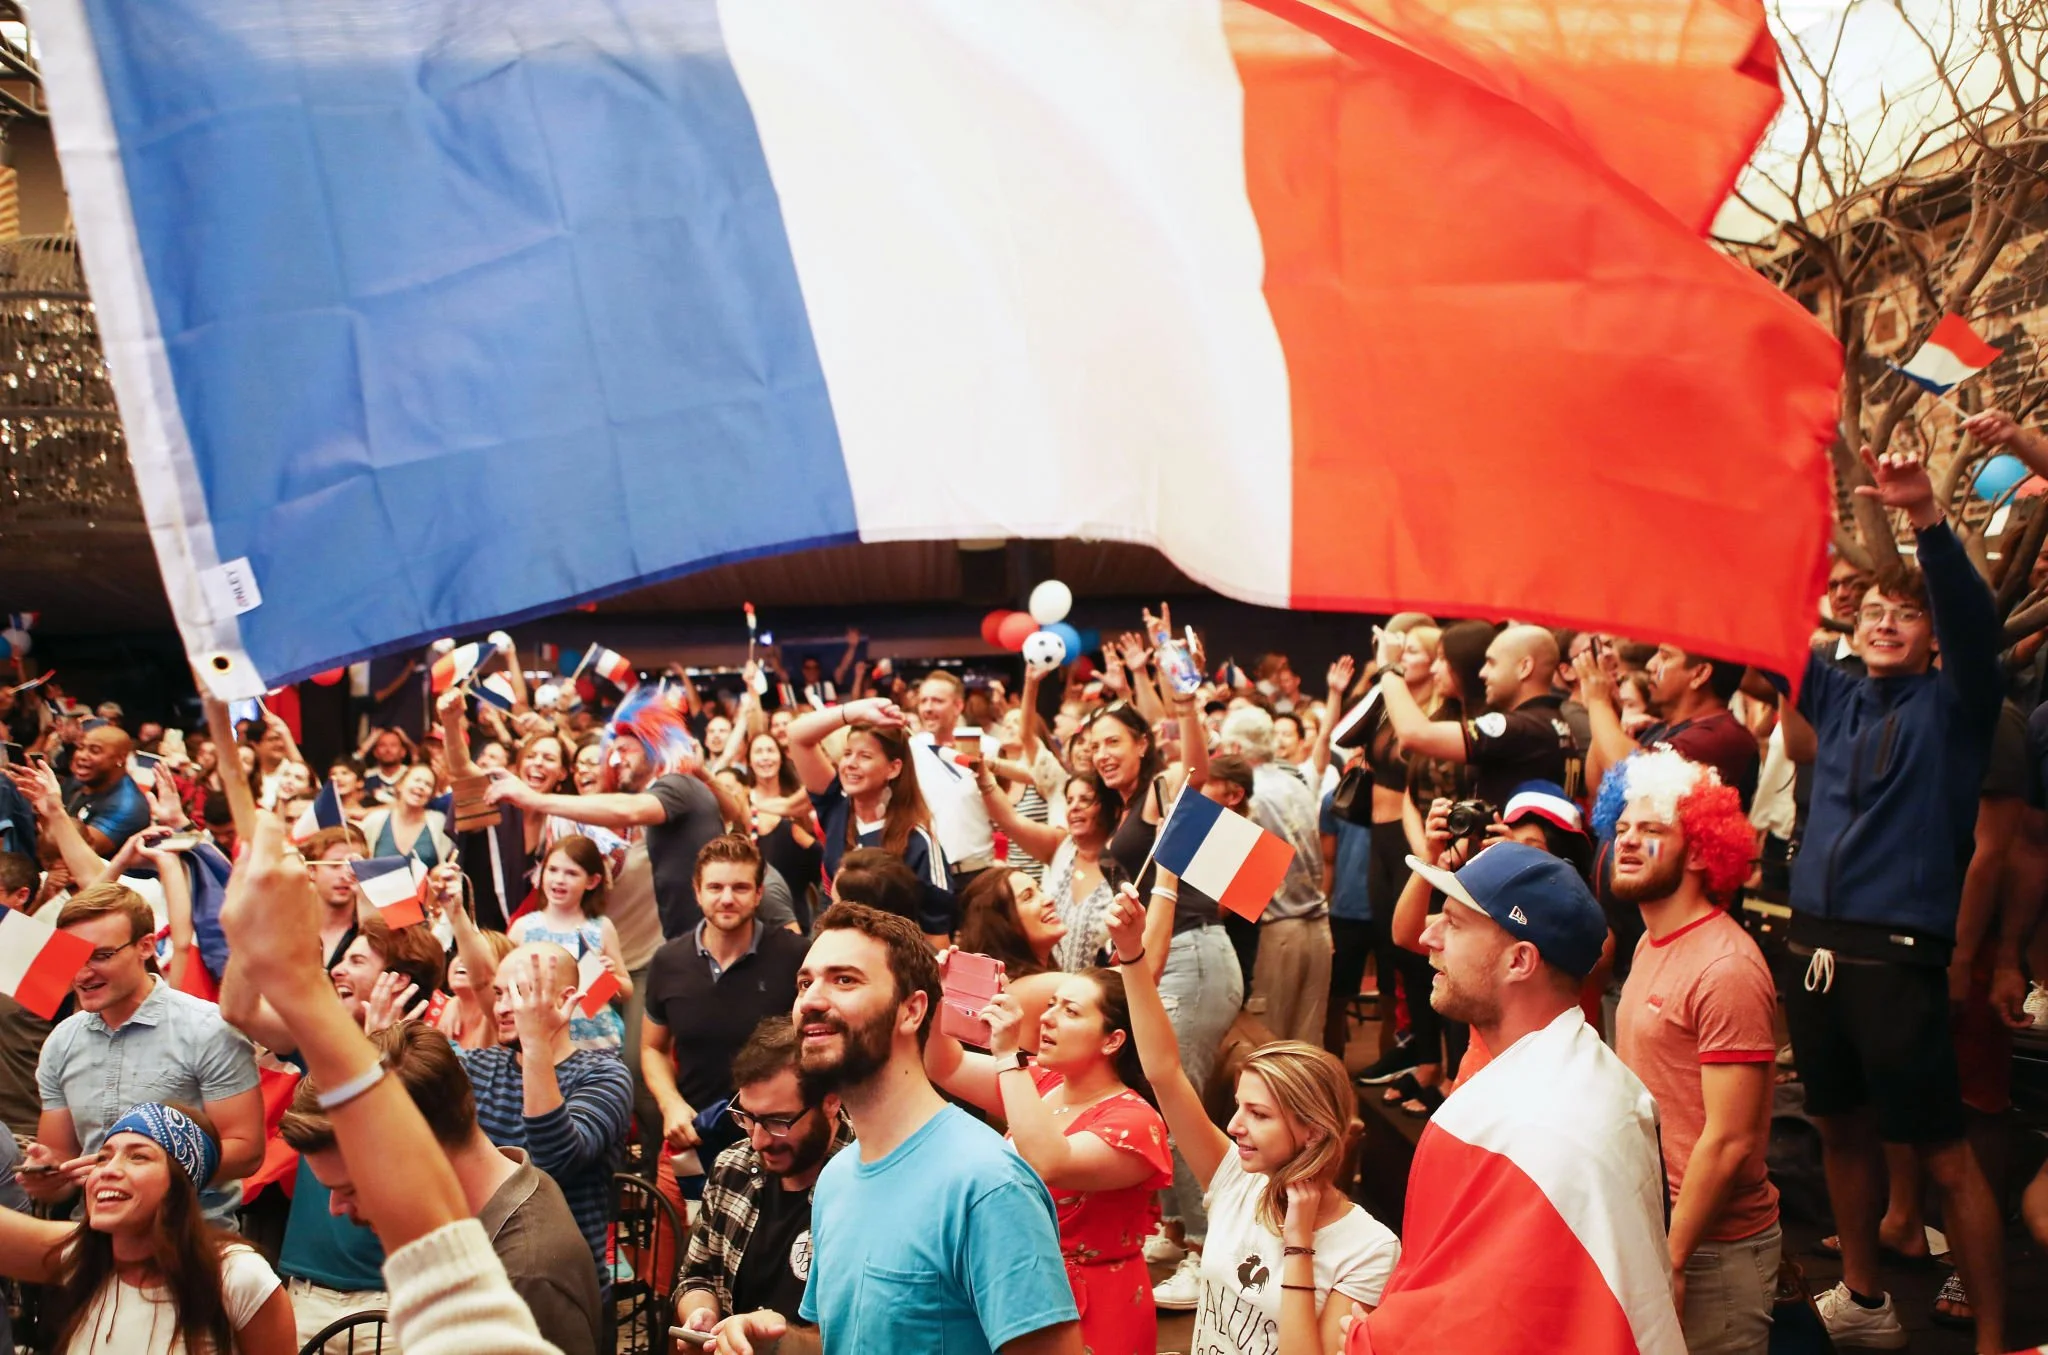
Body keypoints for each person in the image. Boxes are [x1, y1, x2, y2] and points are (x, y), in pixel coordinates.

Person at [1779, 447, 2009, 1353]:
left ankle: (1993, 1339)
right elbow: (1767, 629)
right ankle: (1867, 1301)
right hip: (1814, 944)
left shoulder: (1958, 705)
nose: (1885, 624)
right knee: (1838, 1130)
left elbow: (1973, 625)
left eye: (1905, 614)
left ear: (1932, 634)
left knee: (1944, 1155)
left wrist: (1926, 522)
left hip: (1895, 954)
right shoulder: (1834, 697)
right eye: (1873, 610)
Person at [216, 808, 568, 1355]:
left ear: (396, 980)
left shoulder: (434, 1062)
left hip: (389, 1299)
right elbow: (238, 1008)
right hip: (304, 1286)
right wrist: (248, 924)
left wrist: (379, 1059)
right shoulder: (323, 1049)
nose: (337, 969)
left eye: (355, 960)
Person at [1348, 842, 1679, 1355]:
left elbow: (1488, 1324)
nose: (1428, 935)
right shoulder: (1574, 1078)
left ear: (1520, 960)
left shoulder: (1548, 1131)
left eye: (1454, 924)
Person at [707, 902, 1081, 1355]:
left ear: (912, 1011)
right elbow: (839, 1339)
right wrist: (773, 1343)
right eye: (805, 982)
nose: (811, 1000)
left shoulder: (988, 1185)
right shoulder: (837, 1178)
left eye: (845, 980)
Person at [1106, 872, 1399, 1351]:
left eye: (1259, 1114)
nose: (1234, 1125)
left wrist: (1299, 1244)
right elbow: (1163, 1071)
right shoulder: (1237, 1180)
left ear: (1313, 1131)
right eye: (1239, 1106)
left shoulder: (1370, 1249)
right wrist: (1133, 954)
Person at [1600, 750, 1779, 1355]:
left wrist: (1672, 1260)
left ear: (1702, 850)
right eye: (1622, 827)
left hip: (1709, 1250)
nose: (1627, 841)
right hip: (1656, 1232)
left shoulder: (1725, 966)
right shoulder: (1653, 942)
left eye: (1651, 830)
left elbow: (1730, 1141)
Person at [283, 1020, 604, 1355]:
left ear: (423, 1153)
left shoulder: (523, 1277)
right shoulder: (499, 1215)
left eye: (352, 1188)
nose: (335, 1208)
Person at [924, 963, 1173, 1355]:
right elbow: (946, 1065)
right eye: (1052, 1004)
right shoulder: (1043, 1080)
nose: (1047, 1018)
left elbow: (1048, 1161)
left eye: (1070, 1011)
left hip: (1097, 1301)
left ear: (1113, 1040)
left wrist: (1007, 1054)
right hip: (1023, 1283)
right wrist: (942, 997)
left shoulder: (1136, 1121)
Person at [26, 884, 264, 1226]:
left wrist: (139, 1169)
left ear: (146, 946)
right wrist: (46, 1176)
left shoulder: (208, 1029)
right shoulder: (62, 1041)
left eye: (101, 955)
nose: (82, 972)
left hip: (191, 1242)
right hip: (94, 1245)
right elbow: (63, 1168)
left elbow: (246, 1151)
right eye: (72, 956)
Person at [0, 1101, 296, 1354]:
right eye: (103, 1158)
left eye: (138, 1156)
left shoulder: (236, 1274)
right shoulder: (81, 1257)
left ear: (179, 1185)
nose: (109, 1171)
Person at [457, 943, 635, 1296]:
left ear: (565, 1000)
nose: (503, 1007)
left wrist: (536, 1043)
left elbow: (553, 1163)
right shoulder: (478, 1067)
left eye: (520, 994)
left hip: (561, 1291)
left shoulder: (604, 1075)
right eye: (498, 994)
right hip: (476, 1286)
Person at [674, 1017, 855, 1341]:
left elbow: (861, 1334)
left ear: (831, 1101)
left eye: (777, 1121)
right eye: (748, 1117)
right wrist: (702, 1315)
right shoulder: (734, 1166)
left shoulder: (866, 1186)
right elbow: (696, 1276)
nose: (758, 1141)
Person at [642, 834, 807, 1176]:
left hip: (778, 1147)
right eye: (715, 887)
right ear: (697, 891)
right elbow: (652, 1048)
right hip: (693, 1141)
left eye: (741, 888)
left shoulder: (797, 957)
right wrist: (670, 1103)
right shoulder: (668, 961)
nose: (727, 899)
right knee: (677, 1230)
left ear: (759, 893)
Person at [785, 696, 954, 943]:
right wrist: (855, 711)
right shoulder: (835, 805)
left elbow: (936, 941)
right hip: (834, 948)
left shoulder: (918, 841)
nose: (851, 764)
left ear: (893, 768)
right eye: (847, 753)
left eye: (864, 756)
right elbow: (797, 735)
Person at [1218, 706, 1334, 1046]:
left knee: (1270, 1049)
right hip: (1316, 930)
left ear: (1236, 750)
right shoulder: (1294, 781)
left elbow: (1243, 883)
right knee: (1306, 1047)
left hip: (1276, 932)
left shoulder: (1247, 796)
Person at [1377, 622, 1582, 805]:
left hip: (1512, 848)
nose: (1483, 672)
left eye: (1492, 663)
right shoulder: (1556, 724)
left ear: (1524, 667)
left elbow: (1415, 734)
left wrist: (1389, 666)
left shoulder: (1521, 727)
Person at [979, 765, 1125, 972]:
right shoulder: (1060, 846)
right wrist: (984, 778)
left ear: (1112, 808)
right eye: (1069, 800)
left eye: (1085, 800)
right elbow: (1009, 820)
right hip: (1051, 992)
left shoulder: (1125, 862)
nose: (1074, 807)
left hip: (1100, 996)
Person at [1579, 645, 1759, 810]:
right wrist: (1610, 711)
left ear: (1700, 674)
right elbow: (1599, 790)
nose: (1650, 664)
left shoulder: (1722, 737)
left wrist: (1599, 702)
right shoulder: (1660, 728)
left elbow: (1634, 777)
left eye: (1665, 657)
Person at [508, 834, 633, 1052]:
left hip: (597, 1045)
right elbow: (503, 984)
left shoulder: (601, 928)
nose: (559, 880)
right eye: (553, 870)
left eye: (571, 873)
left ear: (592, 881)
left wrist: (609, 979)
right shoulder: (523, 928)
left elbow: (626, 990)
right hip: (541, 1045)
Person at [953, 868, 1070, 1046]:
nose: (1049, 900)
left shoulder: (1014, 983)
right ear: (1002, 924)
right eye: (1028, 897)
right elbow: (1112, 987)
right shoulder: (1035, 989)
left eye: (1040, 890)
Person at [911, 671, 1004, 890]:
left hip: (978, 872)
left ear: (958, 706)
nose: (928, 708)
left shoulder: (988, 747)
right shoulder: (912, 748)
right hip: (929, 873)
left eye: (937, 701)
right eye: (923, 700)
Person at [62, 722, 151, 853]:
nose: (82, 755)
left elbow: (78, 851)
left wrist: (49, 810)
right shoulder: (80, 780)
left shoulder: (127, 805)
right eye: (81, 748)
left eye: (94, 751)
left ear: (120, 758)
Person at [301, 824, 369, 971]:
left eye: (354, 865)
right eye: (335, 865)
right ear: (311, 870)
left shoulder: (371, 928)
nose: (345, 875)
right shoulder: (291, 928)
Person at [358, 763, 452, 867]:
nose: (421, 786)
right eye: (417, 780)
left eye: (428, 784)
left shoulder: (439, 822)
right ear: (400, 785)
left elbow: (448, 864)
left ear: (432, 794)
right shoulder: (375, 820)